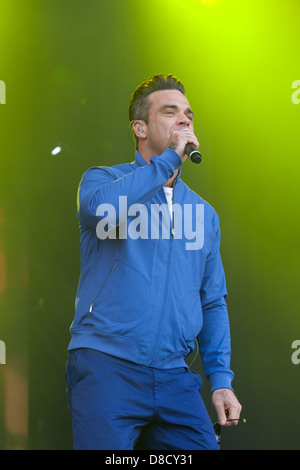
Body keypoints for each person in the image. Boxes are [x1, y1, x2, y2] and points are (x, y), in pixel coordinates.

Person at [66, 74, 242, 450]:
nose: (184, 120)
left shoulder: (204, 213)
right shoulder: (104, 181)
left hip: (176, 377)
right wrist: (166, 164)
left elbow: (211, 301)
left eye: (188, 115)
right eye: (170, 112)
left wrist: (222, 380)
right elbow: (98, 212)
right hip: (107, 365)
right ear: (140, 127)